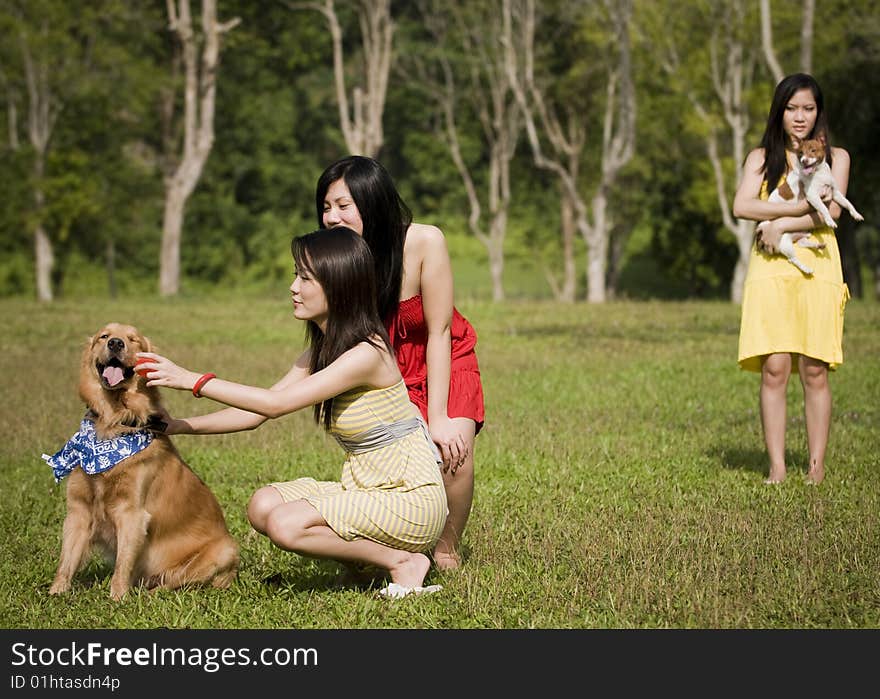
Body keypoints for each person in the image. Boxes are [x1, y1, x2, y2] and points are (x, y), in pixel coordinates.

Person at [137, 227, 448, 598]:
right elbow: (256, 413)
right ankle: (364, 566)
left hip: (410, 498)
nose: (293, 287)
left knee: (286, 524)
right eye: (295, 274)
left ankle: (404, 562)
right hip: (368, 489)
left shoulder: (367, 353)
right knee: (262, 505)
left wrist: (190, 379)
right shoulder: (324, 349)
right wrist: (177, 426)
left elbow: (275, 405)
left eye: (305, 277)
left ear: (339, 285)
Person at [316, 155, 484, 570]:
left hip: (442, 355)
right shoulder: (339, 260)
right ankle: (389, 549)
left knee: (453, 456)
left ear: (371, 202)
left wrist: (440, 416)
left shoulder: (424, 241)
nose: (332, 217)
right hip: (385, 370)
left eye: (343, 205)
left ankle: (446, 549)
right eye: (325, 206)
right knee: (389, 466)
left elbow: (440, 332)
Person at [732, 73, 853, 485]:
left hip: (818, 263)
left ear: (819, 111)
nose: (800, 117)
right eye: (791, 108)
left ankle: (816, 470)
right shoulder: (761, 158)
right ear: (779, 111)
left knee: (814, 368)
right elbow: (741, 205)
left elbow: (830, 214)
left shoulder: (837, 157)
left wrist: (778, 222)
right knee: (775, 367)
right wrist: (783, 223)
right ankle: (778, 468)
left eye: (808, 108)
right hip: (772, 266)